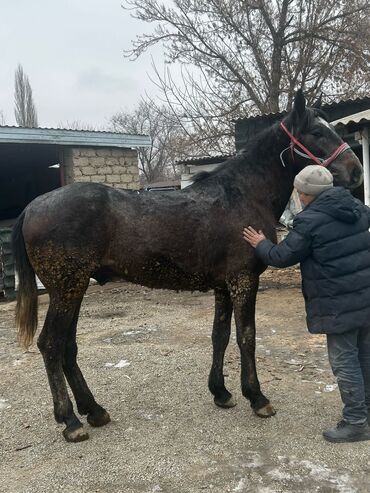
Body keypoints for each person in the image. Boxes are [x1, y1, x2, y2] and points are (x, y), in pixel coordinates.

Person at [243, 164, 370, 443]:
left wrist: (260, 243)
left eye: (300, 192)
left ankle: (356, 423)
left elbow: (280, 257)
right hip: (364, 297)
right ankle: (366, 414)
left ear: (306, 194)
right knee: (363, 356)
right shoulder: (358, 209)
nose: (298, 196)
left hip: (338, 304)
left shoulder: (310, 221)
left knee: (344, 361)